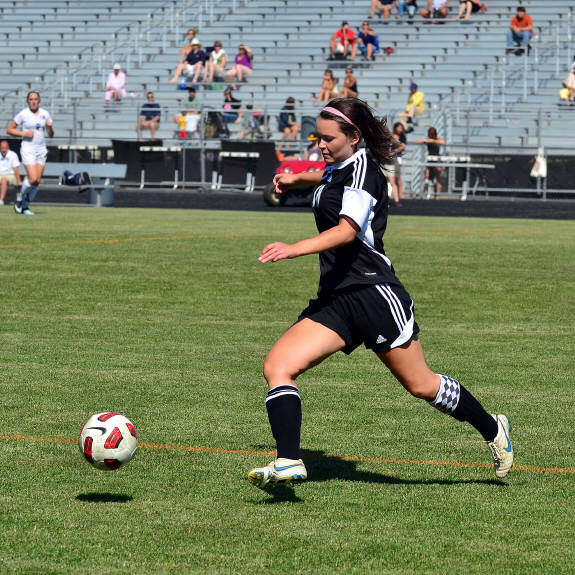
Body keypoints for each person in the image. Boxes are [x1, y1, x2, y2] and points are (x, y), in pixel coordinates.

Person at [247, 97, 513, 489]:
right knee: (278, 366)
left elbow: (346, 231)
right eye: (317, 137)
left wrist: (293, 248)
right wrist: (296, 179)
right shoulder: (339, 166)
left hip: (374, 293)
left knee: (421, 385)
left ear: (354, 136)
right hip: (337, 298)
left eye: (328, 139)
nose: (320, 145)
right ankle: (288, 461)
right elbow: (328, 178)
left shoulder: (364, 170)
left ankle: (492, 426)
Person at [7, 91, 53, 215]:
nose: (33, 101)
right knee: (32, 178)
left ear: (39, 100)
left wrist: (49, 128)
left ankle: (25, 207)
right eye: (31, 99)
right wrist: (24, 134)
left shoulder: (45, 113)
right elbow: (9, 130)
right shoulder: (23, 114)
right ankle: (19, 198)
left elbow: (51, 135)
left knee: (37, 181)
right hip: (28, 149)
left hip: (41, 149)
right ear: (27, 101)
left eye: (35, 99)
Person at [415, 127, 446, 199]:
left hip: (437, 159)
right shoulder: (428, 140)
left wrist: (434, 141)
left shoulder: (438, 139)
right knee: (427, 175)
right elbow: (416, 141)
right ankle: (427, 189)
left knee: (438, 177)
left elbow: (443, 142)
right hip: (430, 160)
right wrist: (427, 140)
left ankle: (437, 195)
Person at [385, 121, 407, 205]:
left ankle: (398, 198)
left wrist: (394, 151)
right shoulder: (388, 137)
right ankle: (387, 199)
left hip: (393, 160)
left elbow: (402, 146)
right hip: (384, 161)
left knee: (395, 180)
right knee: (386, 182)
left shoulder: (399, 137)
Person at [0, 140, 22, 206]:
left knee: (4, 179)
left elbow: (16, 169)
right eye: (2, 148)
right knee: (3, 179)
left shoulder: (13, 155)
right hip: (0, 175)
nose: (4, 150)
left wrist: (19, 181)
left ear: (8, 148)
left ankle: (1, 201)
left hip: (12, 175)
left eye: (5, 148)